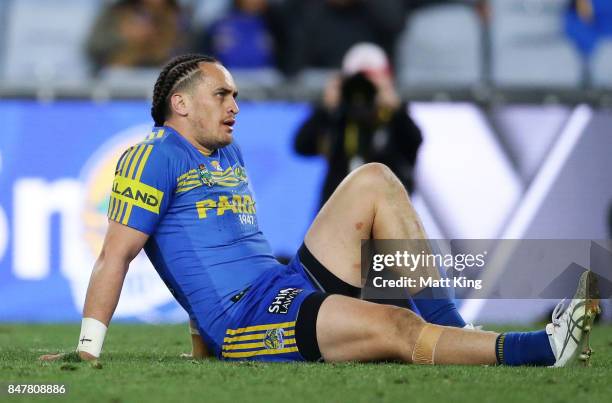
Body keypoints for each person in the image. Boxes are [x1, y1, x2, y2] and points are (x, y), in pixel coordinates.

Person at [40, 54, 598, 367]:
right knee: (396, 327)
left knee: (375, 179)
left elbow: (205, 248)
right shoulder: (151, 157)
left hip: (282, 284)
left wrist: (197, 350)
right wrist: (87, 351)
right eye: (222, 95)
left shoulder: (224, 152)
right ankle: (542, 348)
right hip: (250, 322)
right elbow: (116, 256)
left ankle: (453, 331)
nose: (235, 104)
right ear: (179, 105)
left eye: (235, 94)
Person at [294, 43, 422, 208]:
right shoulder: (339, 115)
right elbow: (301, 146)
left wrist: (396, 111)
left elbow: (414, 144)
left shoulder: (393, 116)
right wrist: (326, 110)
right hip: (340, 210)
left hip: (387, 210)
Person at [86, 0, 187, 72]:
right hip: (120, 76)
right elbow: (94, 47)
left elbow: (189, 51)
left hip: (162, 75)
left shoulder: (179, 14)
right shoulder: (117, 11)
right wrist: (123, 36)